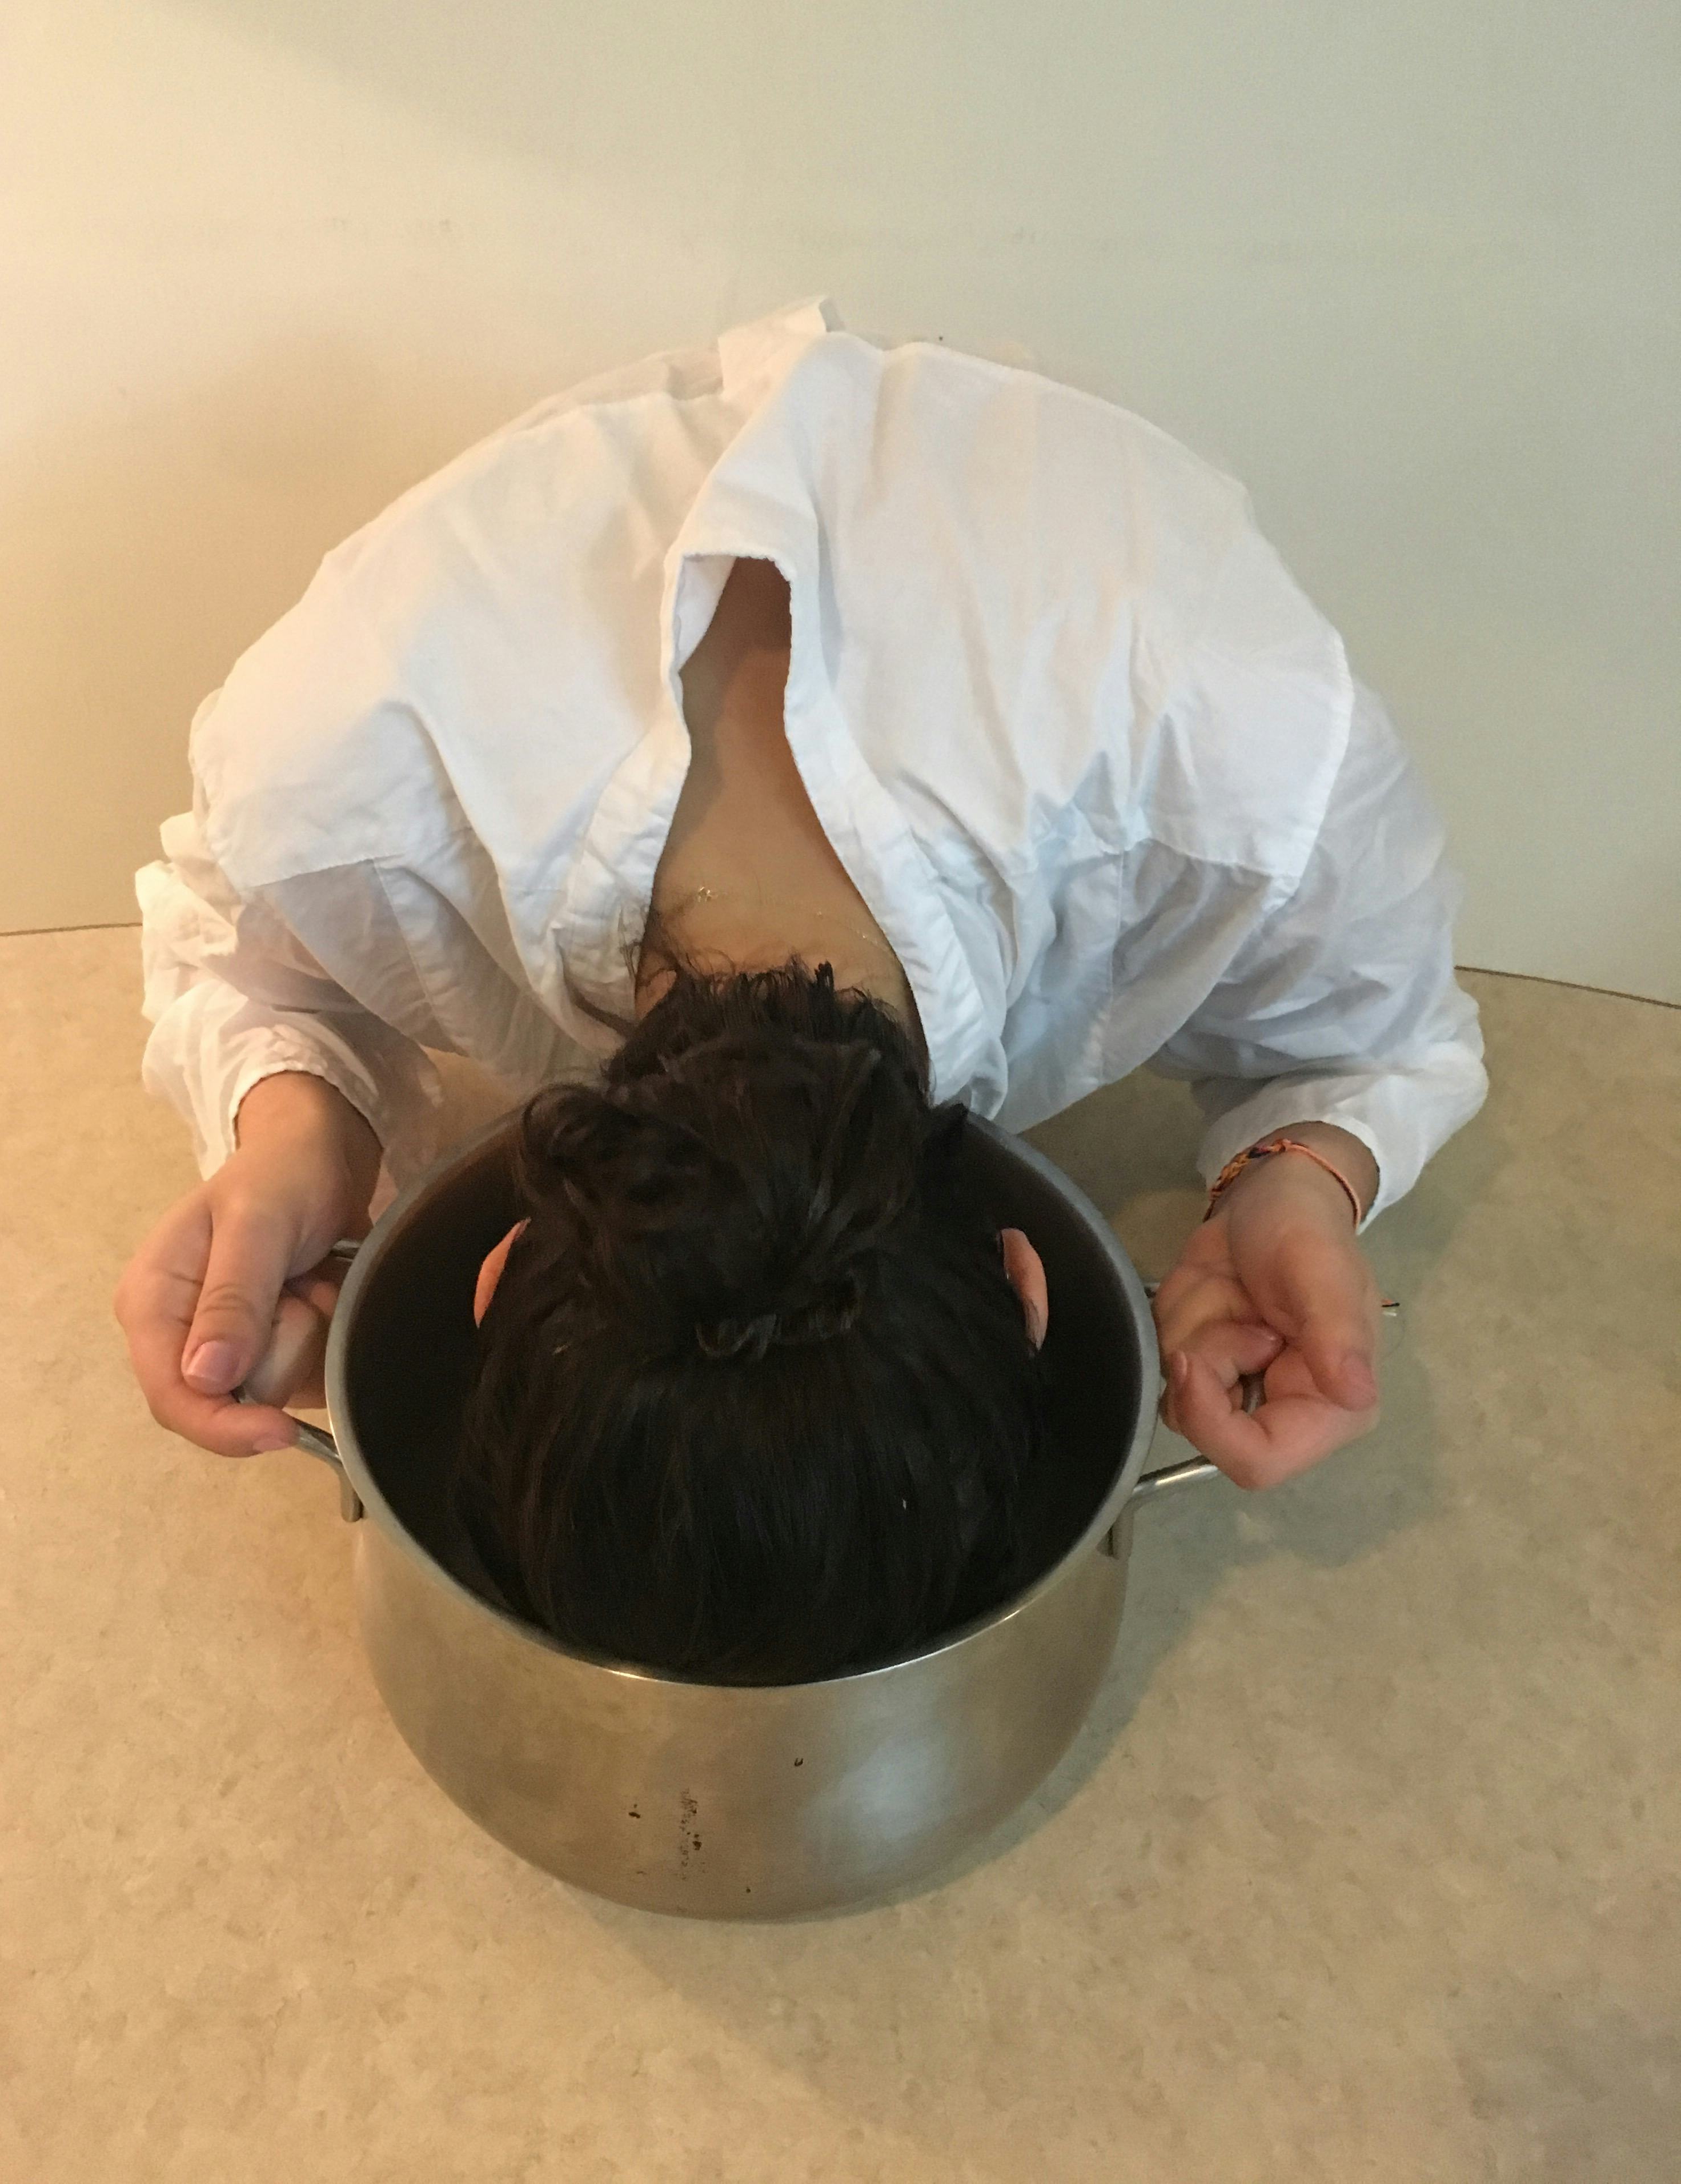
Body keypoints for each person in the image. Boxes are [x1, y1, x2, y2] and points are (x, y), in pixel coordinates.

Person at [113, 295, 1487, 1676]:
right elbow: (236, 945)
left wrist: (1295, 1178)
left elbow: (1382, 1042)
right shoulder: (331, 775)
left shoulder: (1249, 770)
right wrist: (299, 1133)